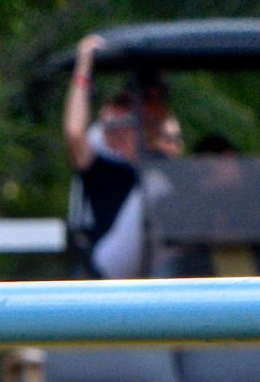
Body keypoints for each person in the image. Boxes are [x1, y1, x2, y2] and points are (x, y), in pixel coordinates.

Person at [61, 36, 182, 278]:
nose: (130, 111)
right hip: (107, 267)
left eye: (149, 101)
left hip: (157, 267)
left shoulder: (161, 158)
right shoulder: (100, 161)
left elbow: (170, 137)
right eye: (125, 102)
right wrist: (85, 64)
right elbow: (74, 132)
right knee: (155, 185)